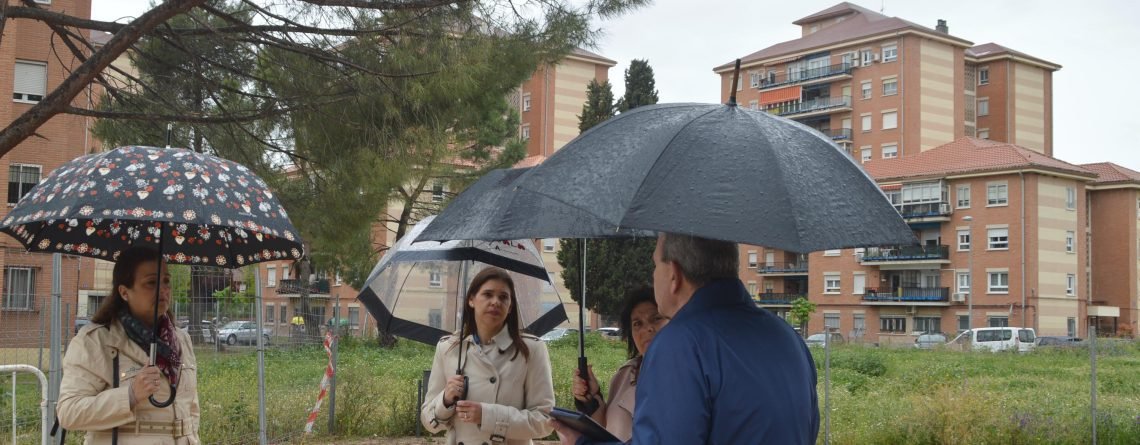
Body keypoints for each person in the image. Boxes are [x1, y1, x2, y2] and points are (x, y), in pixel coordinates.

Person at [554, 233, 819, 444]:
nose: (653, 275)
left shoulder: (680, 344)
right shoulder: (787, 337)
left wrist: (582, 442)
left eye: (655, 264)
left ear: (674, 275)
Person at [57, 246, 200, 444]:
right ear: (124, 292)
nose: (163, 290)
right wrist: (130, 395)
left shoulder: (181, 340)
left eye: (166, 281)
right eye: (151, 283)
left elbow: (191, 408)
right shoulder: (95, 341)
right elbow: (69, 412)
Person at [421, 267, 555, 444]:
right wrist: (445, 400)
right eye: (488, 294)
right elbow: (428, 422)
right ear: (471, 300)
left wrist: (488, 416)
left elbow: (544, 421)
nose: (495, 302)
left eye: (503, 297)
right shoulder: (448, 348)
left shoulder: (531, 349)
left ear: (510, 306)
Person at [572, 287, 667, 442]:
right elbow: (607, 429)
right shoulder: (625, 375)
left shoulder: (685, 374)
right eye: (637, 323)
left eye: (656, 318)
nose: (647, 329)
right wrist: (592, 399)